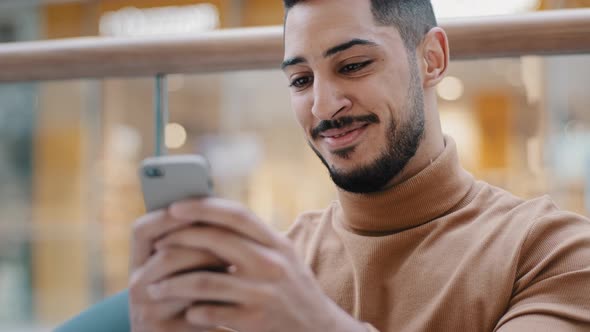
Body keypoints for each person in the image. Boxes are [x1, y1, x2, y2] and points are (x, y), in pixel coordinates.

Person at [128, 0, 590, 331]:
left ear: (432, 59)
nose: (323, 106)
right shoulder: (276, 265)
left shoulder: (553, 255)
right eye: (301, 80)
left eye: (353, 65)